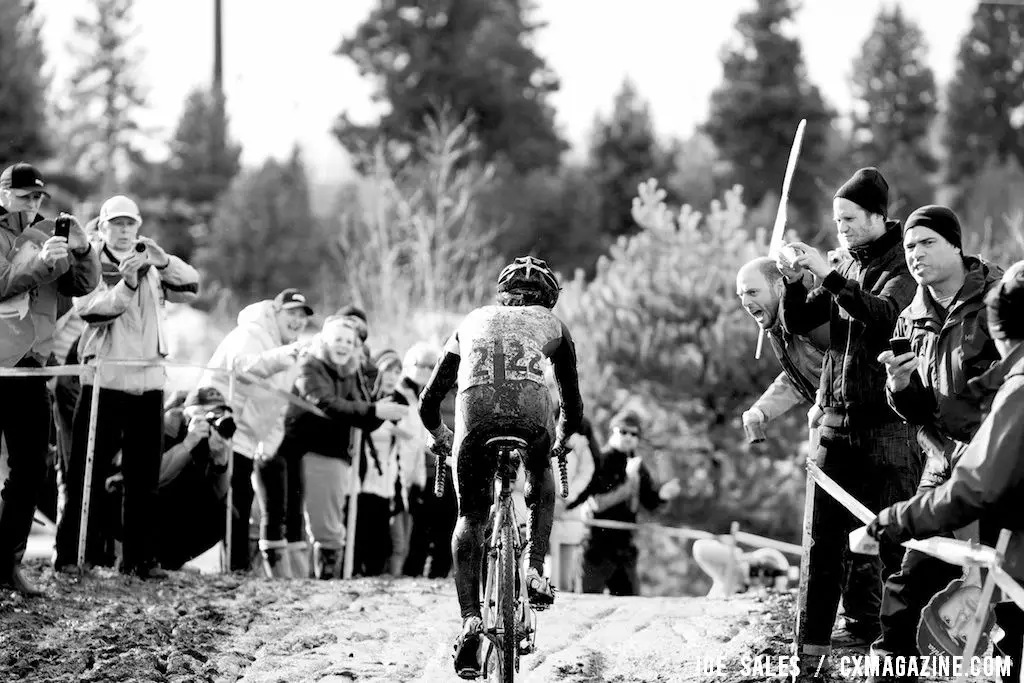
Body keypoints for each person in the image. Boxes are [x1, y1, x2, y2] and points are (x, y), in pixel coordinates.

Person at [777, 167, 918, 676]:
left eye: (851, 220)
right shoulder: (848, 265)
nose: (842, 230)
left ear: (879, 216)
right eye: (837, 222)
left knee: (899, 550)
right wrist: (795, 284)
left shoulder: (905, 265)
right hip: (834, 426)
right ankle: (806, 658)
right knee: (820, 549)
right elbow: (799, 322)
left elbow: (882, 316)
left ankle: (902, 657)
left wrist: (830, 275)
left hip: (889, 429)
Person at [418, 255, 584, 680]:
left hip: (474, 417)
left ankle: (471, 620)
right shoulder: (555, 327)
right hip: (531, 415)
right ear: (548, 301)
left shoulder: (471, 320)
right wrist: (562, 440)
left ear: (501, 295)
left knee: (470, 515)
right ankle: (534, 570)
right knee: (540, 474)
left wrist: (441, 436)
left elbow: (428, 400)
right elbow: (572, 405)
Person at [867, 260, 1024, 682]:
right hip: (951, 465)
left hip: (982, 478)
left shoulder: (1017, 384)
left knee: (1008, 601)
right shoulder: (912, 318)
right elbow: (925, 414)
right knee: (915, 574)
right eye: (911, 246)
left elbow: (973, 489)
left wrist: (890, 521)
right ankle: (892, 668)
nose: (917, 254)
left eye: (927, 242)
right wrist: (900, 386)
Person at [737, 256, 883, 648]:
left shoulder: (808, 321)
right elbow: (794, 376)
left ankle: (865, 626)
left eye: (752, 291)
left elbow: (844, 360)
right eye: (740, 295)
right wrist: (762, 410)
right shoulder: (780, 330)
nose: (745, 301)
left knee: (856, 531)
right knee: (839, 534)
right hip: (833, 433)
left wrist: (825, 400)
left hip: (864, 433)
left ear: (780, 287)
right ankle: (855, 625)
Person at [55, 194, 200, 579]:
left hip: (149, 382)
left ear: (137, 227)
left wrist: (163, 261)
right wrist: (129, 284)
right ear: (101, 227)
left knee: (143, 478)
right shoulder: (90, 263)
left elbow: (192, 282)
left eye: (128, 224)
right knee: (84, 474)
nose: (122, 232)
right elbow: (90, 310)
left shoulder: (150, 259)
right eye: (114, 224)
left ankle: (140, 561)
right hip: (105, 381)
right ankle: (71, 557)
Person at [0, 162, 100, 595]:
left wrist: (82, 250)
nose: (33, 204)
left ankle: (7, 563)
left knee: (31, 468)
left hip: (31, 365)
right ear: (4, 194)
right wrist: (41, 264)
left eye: (39, 197)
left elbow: (82, 286)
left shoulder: (46, 232)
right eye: (25, 196)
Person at [199, 288, 313, 572]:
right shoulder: (252, 333)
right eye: (292, 313)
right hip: (219, 429)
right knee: (229, 505)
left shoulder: (289, 352)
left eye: (302, 316)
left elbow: (280, 407)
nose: (298, 321)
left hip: (249, 440)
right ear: (276, 311)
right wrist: (284, 355)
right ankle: (234, 569)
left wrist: (269, 446)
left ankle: (237, 569)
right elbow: (243, 367)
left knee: (241, 504)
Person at [106, 388, 235, 570]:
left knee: (226, 512)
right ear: (188, 413)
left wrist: (220, 463)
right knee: (127, 492)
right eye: (207, 414)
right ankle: (123, 555)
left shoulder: (215, 438)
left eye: (218, 415)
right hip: (139, 509)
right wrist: (187, 444)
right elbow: (148, 478)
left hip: (175, 515)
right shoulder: (166, 427)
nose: (213, 421)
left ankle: (170, 562)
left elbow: (217, 495)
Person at [569, 410, 681, 596]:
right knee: (585, 607)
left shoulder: (637, 465)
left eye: (634, 434)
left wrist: (664, 496)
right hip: (596, 549)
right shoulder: (600, 461)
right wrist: (628, 482)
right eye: (623, 431)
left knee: (630, 610)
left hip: (624, 551)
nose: (629, 437)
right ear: (613, 431)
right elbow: (597, 504)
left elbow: (651, 504)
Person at [390, 342, 439, 576]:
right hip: (397, 467)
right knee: (403, 526)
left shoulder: (430, 396)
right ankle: (403, 572)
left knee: (419, 526)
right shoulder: (398, 394)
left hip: (422, 470)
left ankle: (414, 572)